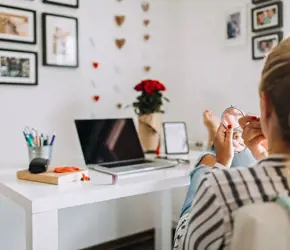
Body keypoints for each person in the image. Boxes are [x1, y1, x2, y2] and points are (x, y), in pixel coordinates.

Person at [174, 37, 290, 250]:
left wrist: (220, 165)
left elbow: (183, 245)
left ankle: (215, 148)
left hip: (201, 217)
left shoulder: (218, 190)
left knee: (205, 166)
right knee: (243, 152)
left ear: (265, 105)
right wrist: (264, 154)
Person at [179, 110, 256, 218]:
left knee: (208, 160)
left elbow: (190, 224)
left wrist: (222, 163)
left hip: (194, 224)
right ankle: (222, 142)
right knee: (237, 151)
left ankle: (216, 141)